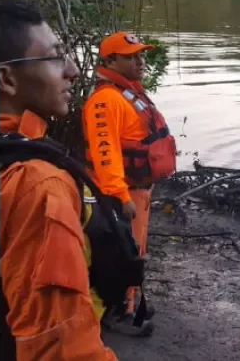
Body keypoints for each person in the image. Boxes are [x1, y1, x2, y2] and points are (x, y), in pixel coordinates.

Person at [0, 0, 118, 360]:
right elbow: (61, 347)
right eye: (54, 57)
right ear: (6, 78)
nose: (72, 70)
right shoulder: (37, 186)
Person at [83, 31, 178, 329]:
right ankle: (106, 313)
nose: (140, 61)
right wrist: (121, 198)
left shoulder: (128, 93)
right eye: (131, 56)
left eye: (140, 55)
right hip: (117, 195)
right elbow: (105, 154)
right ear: (110, 60)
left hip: (137, 190)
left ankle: (128, 302)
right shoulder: (104, 101)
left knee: (134, 252)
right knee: (120, 253)